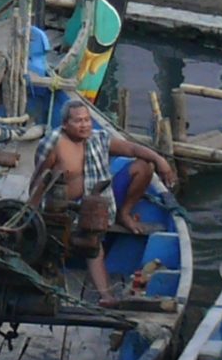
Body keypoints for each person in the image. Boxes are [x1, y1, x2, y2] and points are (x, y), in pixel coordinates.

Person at [34, 98, 180, 298]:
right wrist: (31, 213)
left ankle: (124, 213)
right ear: (65, 124)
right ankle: (107, 296)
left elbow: (132, 149)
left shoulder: (98, 137)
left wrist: (160, 160)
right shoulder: (54, 144)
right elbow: (39, 180)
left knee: (144, 167)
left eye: (87, 120)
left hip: (102, 201)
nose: (85, 124)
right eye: (78, 121)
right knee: (92, 243)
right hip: (68, 208)